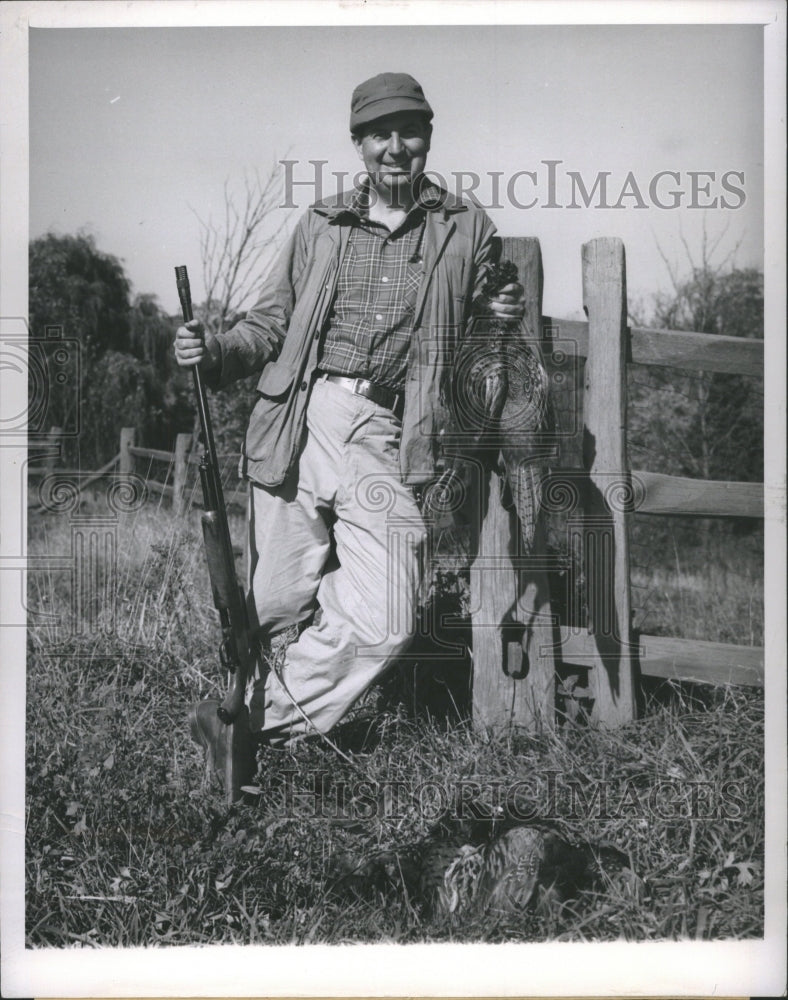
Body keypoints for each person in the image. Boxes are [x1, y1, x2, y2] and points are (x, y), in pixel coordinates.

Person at [175, 72, 525, 780]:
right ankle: (252, 755)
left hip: (388, 432)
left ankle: (247, 724)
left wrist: (504, 309)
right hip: (297, 419)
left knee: (389, 610)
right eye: (379, 134)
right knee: (273, 606)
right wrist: (211, 351)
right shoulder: (321, 224)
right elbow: (270, 323)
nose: (396, 148)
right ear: (359, 144)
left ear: (428, 137)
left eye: (410, 131)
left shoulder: (466, 227)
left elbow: (490, 318)